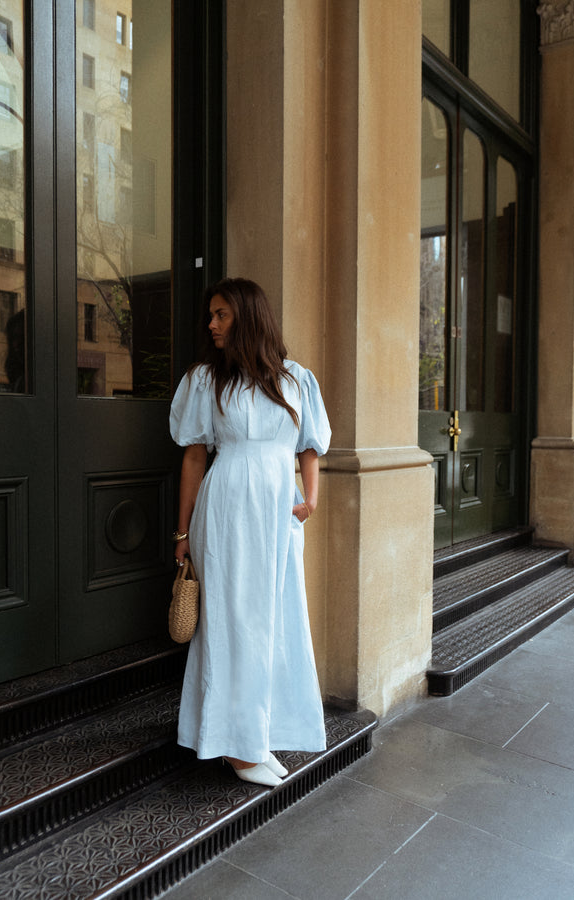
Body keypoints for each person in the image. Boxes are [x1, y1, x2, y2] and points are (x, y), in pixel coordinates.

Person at [169, 277, 331, 787]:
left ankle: (258, 734)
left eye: (221, 315)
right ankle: (235, 747)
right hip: (226, 510)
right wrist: (182, 533)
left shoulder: (296, 379)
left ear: (247, 316)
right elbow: (194, 456)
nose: (212, 325)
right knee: (231, 623)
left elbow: (310, 446)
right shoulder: (206, 380)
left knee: (275, 622)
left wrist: (310, 501)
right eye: (210, 316)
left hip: (279, 514)